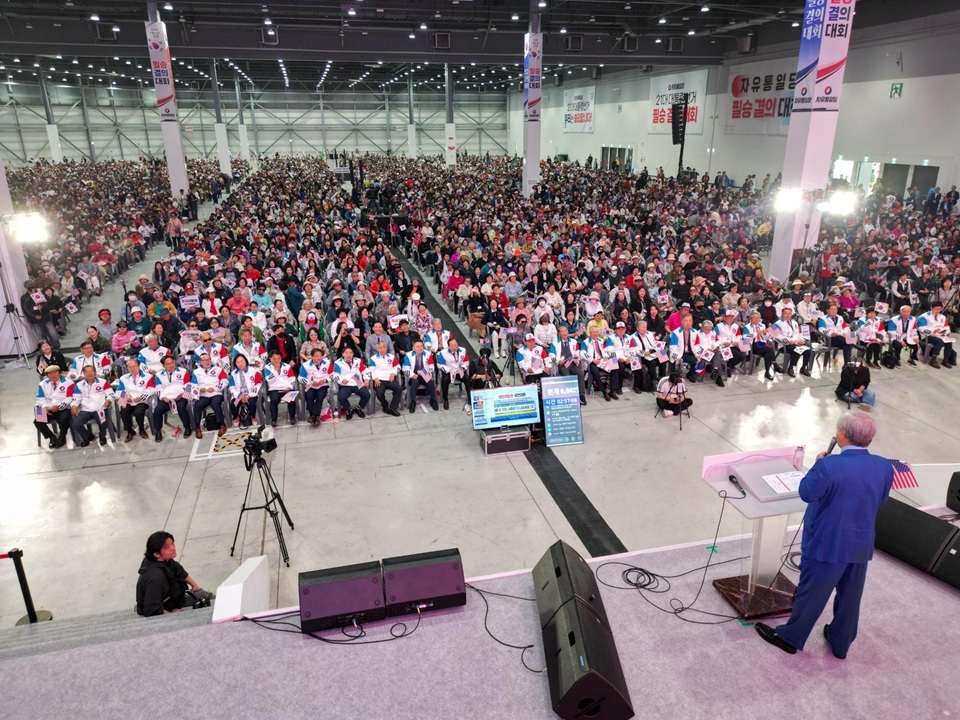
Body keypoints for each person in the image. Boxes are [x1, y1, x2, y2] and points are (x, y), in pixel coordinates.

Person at [756, 412, 893, 659]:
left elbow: (807, 493)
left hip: (827, 544)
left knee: (812, 594)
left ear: (842, 435)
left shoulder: (829, 466)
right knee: (851, 597)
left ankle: (790, 637)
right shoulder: (884, 466)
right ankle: (841, 642)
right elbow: (881, 498)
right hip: (860, 544)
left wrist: (818, 465)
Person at [136, 532, 211, 617]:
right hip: (164, 609)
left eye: (172, 543)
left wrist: (194, 586)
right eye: (167, 547)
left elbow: (180, 571)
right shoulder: (155, 578)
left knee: (201, 594)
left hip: (172, 597)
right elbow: (152, 609)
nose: (173, 548)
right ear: (157, 554)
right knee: (202, 598)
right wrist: (173, 617)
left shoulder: (164, 560)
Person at [71, 364, 114, 446]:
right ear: (83, 373)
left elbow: (111, 394)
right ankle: (88, 437)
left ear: (95, 372)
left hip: (100, 408)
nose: (89, 374)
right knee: (76, 424)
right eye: (87, 372)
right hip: (86, 410)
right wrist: (74, 405)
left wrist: (108, 400)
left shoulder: (103, 382)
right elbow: (76, 398)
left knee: (102, 421)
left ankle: (102, 437)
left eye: (91, 371)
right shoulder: (79, 385)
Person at [153, 355, 194, 440]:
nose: (171, 365)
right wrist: (163, 397)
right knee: (157, 410)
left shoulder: (183, 371)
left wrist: (183, 394)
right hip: (166, 398)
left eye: (172, 363)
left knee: (181, 407)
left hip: (180, 395)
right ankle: (158, 431)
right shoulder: (158, 375)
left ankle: (187, 427)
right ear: (163, 366)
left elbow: (188, 385)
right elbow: (158, 388)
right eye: (168, 364)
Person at [34, 365, 75, 448]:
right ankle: (51, 437)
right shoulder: (42, 384)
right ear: (47, 375)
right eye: (50, 373)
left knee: (63, 419)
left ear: (59, 373)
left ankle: (62, 437)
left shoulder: (69, 382)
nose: (53, 375)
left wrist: (59, 406)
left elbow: (70, 397)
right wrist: (44, 407)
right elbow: (40, 398)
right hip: (48, 408)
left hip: (63, 407)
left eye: (55, 372)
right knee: (37, 421)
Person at [117, 357, 155, 442]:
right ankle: (130, 431)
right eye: (130, 367)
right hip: (129, 400)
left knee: (139, 412)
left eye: (134, 366)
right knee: (123, 411)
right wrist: (126, 398)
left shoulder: (148, 377)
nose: (132, 369)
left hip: (142, 401)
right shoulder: (123, 378)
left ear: (139, 366)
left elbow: (151, 389)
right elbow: (119, 390)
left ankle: (141, 429)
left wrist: (141, 397)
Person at [192, 352, 228, 439]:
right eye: (204, 360)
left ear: (211, 360)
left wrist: (215, 388)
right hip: (203, 394)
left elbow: (225, 382)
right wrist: (199, 389)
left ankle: (222, 425)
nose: (207, 362)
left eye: (208, 360)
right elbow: (193, 385)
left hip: (216, 393)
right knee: (198, 405)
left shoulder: (218, 370)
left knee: (215, 404)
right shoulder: (196, 372)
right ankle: (197, 428)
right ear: (200, 362)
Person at [332, 345, 371, 419]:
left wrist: (366, 379)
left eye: (350, 353)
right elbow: (335, 375)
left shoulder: (358, 360)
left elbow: (365, 370)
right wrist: (341, 380)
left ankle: (358, 408)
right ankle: (349, 409)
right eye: (346, 353)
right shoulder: (338, 363)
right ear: (343, 354)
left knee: (366, 395)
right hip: (345, 384)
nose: (348, 355)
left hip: (357, 381)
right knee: (341, 397)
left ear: (353, 354)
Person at [917, 300, 957, 369]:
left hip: (940, 335)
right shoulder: (924, 317)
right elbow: (921, 328)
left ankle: (945, 360)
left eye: (939, 309)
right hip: (928, 336)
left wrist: (945, 331)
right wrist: (933, 331)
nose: (938, 311)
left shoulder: (942, 317)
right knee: (939, 342)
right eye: (936, 309)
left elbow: (947, 327)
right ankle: (933, 359)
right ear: (931, 308)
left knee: (949, 342)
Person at [368, 340, 403, 416]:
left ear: (386, 348)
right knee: (380, 393)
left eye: (384, 347)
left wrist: (393, 373)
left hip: (390, 379)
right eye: (380, 348)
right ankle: (385, 405)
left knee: (399, 389)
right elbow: (371, 370)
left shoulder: (391, 357)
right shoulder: (373, 358)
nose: (382, 349)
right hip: (379, 380)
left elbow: (398, 367)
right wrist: (375, 378)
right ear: (377, 349)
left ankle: (393, 408)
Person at [402, 339, 438, 412]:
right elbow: (405, 367)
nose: (420, 348)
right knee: (414, 383)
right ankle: (413, 401)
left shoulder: (428, 354)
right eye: (417, 346)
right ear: (413, 348)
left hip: (424, 373)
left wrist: (428, 371)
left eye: (421, 346)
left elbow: (431, 365)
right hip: (414, 374)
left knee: (430, 382)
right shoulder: (408, 355)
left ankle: (433, 400)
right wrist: (412, 374)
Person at [264, 349, 298, 427]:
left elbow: (292, 378)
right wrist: (275, 371)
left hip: (287, 388)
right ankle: (274, 419)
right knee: (274, 400)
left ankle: (292, 416)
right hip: (274, 389)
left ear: (281, 358)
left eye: (278, 358)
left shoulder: (287, 366)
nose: (276, 360)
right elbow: (269, 380)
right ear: (270, 358)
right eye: (274, 358)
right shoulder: (267, 368)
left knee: (291, 399)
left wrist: (290, 387)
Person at [229, 354, 263, 428]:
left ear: (246, 361)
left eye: (242, 361)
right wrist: (240, 396)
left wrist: (248, 396)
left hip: (251, 394)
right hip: (238, 395)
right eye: (238, 362)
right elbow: (232, 388)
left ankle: (253, 417)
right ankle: (235, 417)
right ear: (235, 364)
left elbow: (258, 384)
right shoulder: (233, 374)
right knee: (233, 404)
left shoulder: (254, 371)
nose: (240, 363)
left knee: (251, 402)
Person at [436, 337, 469, 410]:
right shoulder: (443, 353)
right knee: (444, 381)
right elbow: (439, 364)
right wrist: (448, 370)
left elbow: (466, 361)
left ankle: (470, 397)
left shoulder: (463, 350)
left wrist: (463, 368)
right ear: (449, 346)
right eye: (452, 345)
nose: (454, 347)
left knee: (467, 379)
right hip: (449, 371)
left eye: (456, 345)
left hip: (459, 370)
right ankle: (445, 400)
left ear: (458, 344)